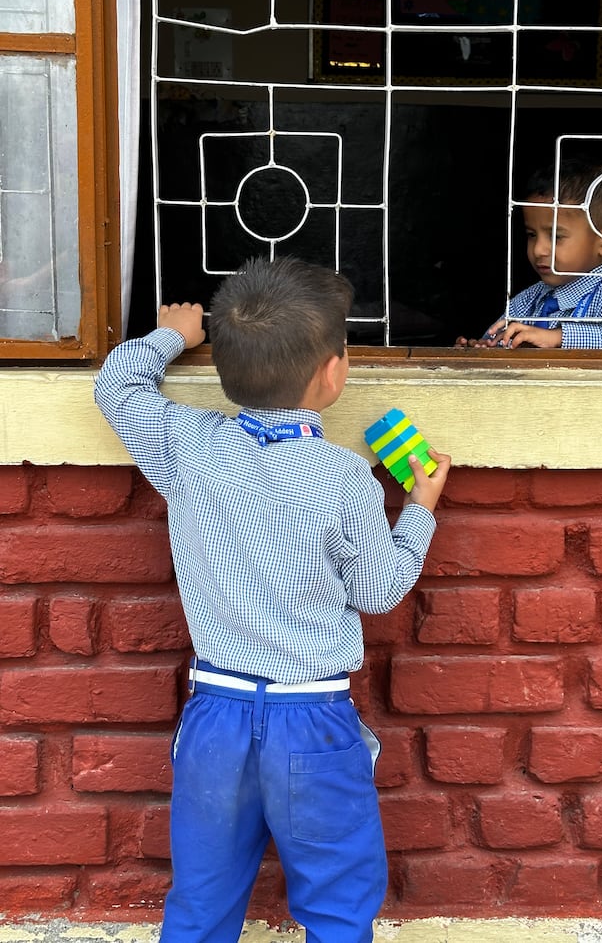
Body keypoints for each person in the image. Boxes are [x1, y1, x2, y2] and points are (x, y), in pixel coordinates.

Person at [94, 255, 451, 943]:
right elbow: (379, 591)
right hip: (311, 721)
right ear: (335, 372)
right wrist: (421, 507)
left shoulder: (187, 446)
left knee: (201, 902)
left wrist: (173, 334)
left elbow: (116, 385)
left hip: (215, 720)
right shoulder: (344, 478)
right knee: (337, 903)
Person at [456, 158, 602, 350]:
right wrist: (482, 349)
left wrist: (558, 337)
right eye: (531, 235)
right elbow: (498, 338)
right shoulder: (528, 299)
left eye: (556, 237)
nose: (538, 249)